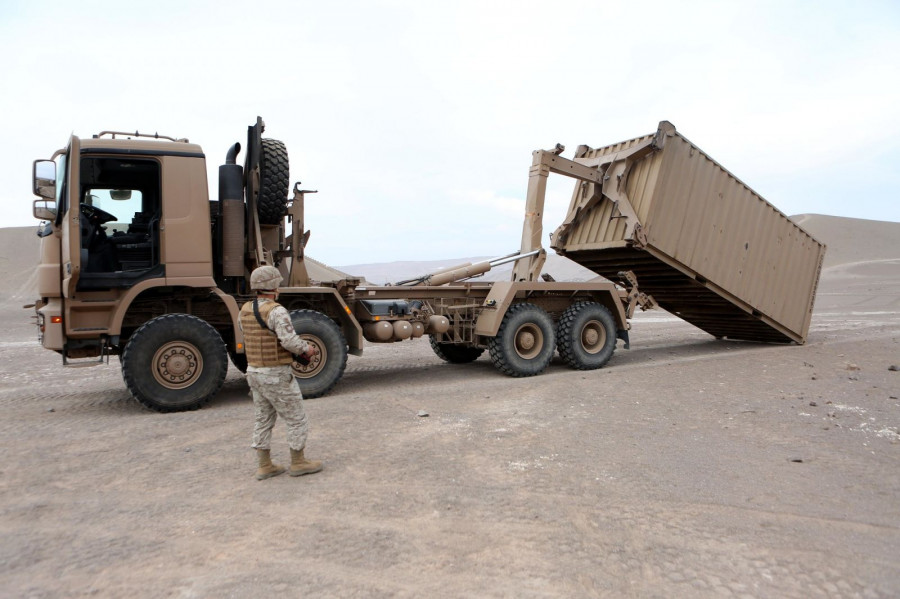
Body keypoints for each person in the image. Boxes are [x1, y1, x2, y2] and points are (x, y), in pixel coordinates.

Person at [240, 265, 323, 480]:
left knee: (263, 418)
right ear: (273, 286)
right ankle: (298, 462)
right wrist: (308, 348)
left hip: (254, 372)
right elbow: (289, 341)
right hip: (276, 373)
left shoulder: (245, 309)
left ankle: (264, 465)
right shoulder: (276, 311)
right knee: (296, 418)